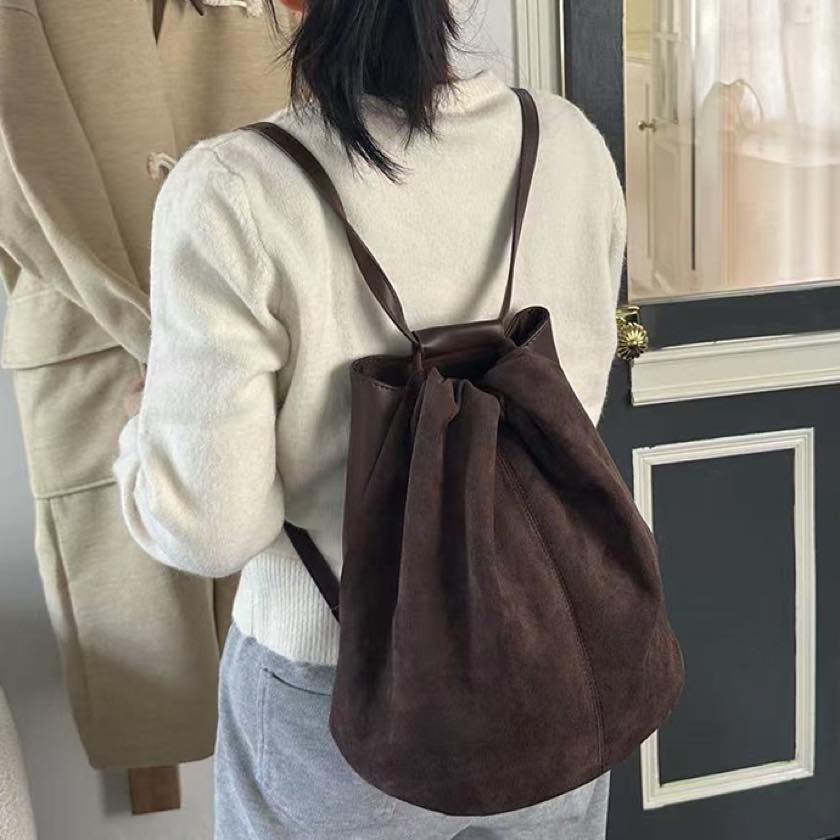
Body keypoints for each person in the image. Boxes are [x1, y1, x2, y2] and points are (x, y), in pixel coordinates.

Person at [114, 0, 626, 836]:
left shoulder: (233, 190)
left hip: (335, 691)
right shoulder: (567, 144)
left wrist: (141, 434)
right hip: (549, 653)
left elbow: (212, 530)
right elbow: (580, 401)